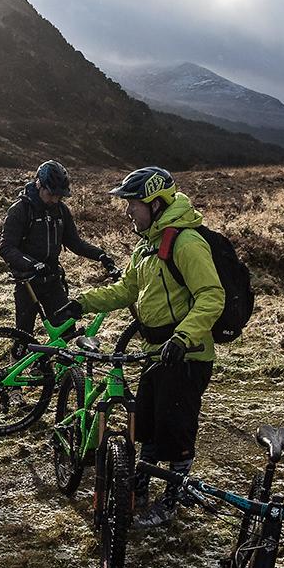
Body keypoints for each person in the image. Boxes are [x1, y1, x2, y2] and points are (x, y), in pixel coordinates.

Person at [59, 166, 222, 530]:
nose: (127, 211)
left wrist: (183, 338)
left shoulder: (186, 243)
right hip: (155, 352)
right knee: (146, 424)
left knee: (177, 430)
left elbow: (212, 297)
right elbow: (127, 290)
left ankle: (172, 501)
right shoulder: (147, 244)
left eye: (133, 204)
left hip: (187, 355)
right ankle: (142, 488)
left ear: (156, 203)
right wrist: (82, 303)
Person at [0, 160, 119, 337]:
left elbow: (75, 243)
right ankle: (18, 360)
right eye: (51, 194)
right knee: (23, 335)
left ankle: (57, 363)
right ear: (39, 185)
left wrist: (101, 255)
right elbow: (7, 248)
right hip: (28, 282)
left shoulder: (61, 211)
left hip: (53, 279)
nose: (55, 199)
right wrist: (32, 265)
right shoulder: (21, 210)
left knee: (67, 331)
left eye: (59, 195)